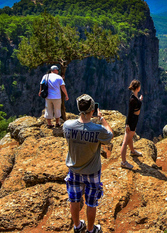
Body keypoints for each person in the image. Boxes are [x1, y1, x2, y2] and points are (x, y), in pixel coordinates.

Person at [63, 94, 113, 233]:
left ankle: (77, 226)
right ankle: (91, 230)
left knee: (74, 200)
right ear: (92, 110)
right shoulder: (97, 130)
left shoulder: (67, 126)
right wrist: (102, 120)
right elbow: (110, 135)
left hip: (74, 171)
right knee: (91, 203)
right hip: (92, 172)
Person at [120, 79, 143, 169]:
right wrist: (127, 125)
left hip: (135, 119)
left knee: (131, 136)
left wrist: (140, 100)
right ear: (137, 88)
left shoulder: (135, 97)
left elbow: (137, 104)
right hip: (132, 120)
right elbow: (129, 113)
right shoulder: (132, 99)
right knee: (125, 141)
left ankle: (133, 151)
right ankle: (123, 162)